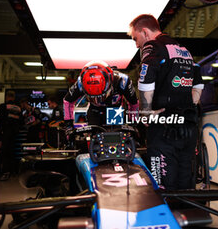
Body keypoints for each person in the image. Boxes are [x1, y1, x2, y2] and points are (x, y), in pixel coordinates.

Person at [128, 14, 204, 190]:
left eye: (136, 38)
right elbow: (199, 83)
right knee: (186, 183)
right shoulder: (183, 49)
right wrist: (186, 103)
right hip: (188, 127)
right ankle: (187, 215)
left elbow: (146, 79)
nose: (137, 44)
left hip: (164, 126)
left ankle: (166, 216)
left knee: (163, 186)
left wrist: (146, 113)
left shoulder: (153, 46)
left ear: (145, 32)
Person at [63, 60, 139, 130]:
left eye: (101, 96)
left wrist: (133, 122)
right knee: (93, 136)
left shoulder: (122, 81)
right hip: (94, 110)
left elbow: (133, 103)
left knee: (117, 135)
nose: (98, 100)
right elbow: (67, 101)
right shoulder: (80, 82)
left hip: (114, 110)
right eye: (93, 98)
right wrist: (69, 125)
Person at [0, 90, 21, 181]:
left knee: (4, 152)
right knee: (12, 152)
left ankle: (5, 172)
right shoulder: (18, 107)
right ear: (14, 97)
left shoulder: (3, 106)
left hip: (5, 132)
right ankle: (12, 172)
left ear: (7, 97)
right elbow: (21, 121)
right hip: (14, 133)